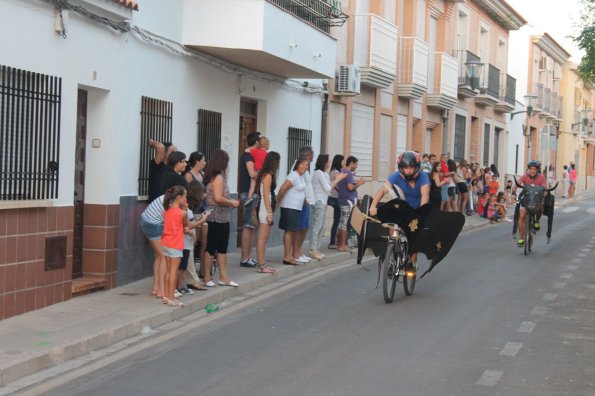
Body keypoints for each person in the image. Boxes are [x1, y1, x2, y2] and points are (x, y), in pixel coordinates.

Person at [369, 151, 430, 270]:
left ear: (416, 167)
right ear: (401, 167)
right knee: (393, 225)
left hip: (417, 209)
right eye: (405, 167)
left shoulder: (423, 177)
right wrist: (373, 206)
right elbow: (382, 191)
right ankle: (394, 253)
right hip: (401, 208)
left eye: (411, 167)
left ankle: (412, 263)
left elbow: (425, 195)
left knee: (414, 236)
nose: (409, 171)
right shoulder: (396, 176)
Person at [202, 149, 240, 287]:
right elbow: (218, 198)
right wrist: (232, 202)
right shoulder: (218, 177)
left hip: (222, 217)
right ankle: (207, 277)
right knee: (212, 247)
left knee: (222, 248)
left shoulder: (216, 176)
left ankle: (224, 276)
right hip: (216, 217)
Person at [310, 154, 348, 259]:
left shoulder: (325, 174)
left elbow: (329, 187)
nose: (329, 163)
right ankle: (313, 249)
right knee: (317, 226)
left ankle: (317, 249)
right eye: (328, 161)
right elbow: (328, 188)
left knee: (323, 226)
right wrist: (338, 178)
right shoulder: (318, 173)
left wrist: (337, 180)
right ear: (324, 162)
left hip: (323, 202)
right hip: (318, 202)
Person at [277, 157, 309, 265]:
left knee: (293, 231)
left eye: (306, 165)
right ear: (297, 164)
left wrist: (304, 200)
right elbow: (282, 189)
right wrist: (277, 203)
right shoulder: (293, 175)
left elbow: (300, 190)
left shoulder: (301, 176)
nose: (304, 167)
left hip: (297, 207)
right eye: (302, 164)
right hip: (289, 206)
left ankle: (290, 255)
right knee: (289, 231)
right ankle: (287, 257)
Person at [161, 186, 189, 306]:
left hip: (165, 242)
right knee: (174, 271)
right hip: (176, 244)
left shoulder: (166, 211)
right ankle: (171, 297)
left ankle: (167, 296)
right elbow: (186, 227)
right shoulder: (183, 213)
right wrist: (186, 210)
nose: (186, 199)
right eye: (185, 197)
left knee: (168, 270)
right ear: (179, 197)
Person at [180, 181, 210, 293]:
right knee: (187, 261)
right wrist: (203, 219)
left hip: (187, 238)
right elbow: (188, 225)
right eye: (203, 192)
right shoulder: (186, 208)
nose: (205, 195)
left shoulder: (189, 207)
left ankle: (190, 281)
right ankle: (191, 282)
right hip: (185, 239)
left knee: (187, 261)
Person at [255, 151, 280, 274]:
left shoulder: (264, 174)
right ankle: (261, 265)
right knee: (262, 239)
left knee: (263, 239)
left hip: (265, 207)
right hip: (265, 208)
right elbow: (266, 195)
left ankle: (263, 263)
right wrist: (270, 213)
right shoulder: (268, 175)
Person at [511, 160, 547, 247]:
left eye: (534, 169)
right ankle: (521, 238)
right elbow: (515, 185)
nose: (532, 171)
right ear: (528, 169)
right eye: (531, 169)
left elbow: (545, 189)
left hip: (537, 200)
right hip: (526, 200)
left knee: (541, 207)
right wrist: (513, 193)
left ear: (537, 170)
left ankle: (537, 221)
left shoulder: (541, 177)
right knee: (522, 214)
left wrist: (543, 196)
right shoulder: (524, 177)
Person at [238, 131, 261, 268]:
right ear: (256, 142)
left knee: (251, 226)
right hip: (248, 194)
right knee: (248, 226)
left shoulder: (250, 155)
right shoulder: (247, 156)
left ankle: (249, 256)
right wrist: (262, 171)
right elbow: (252, 173)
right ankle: (244, 258)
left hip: (251, 193)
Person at [336, 156, 366, 252]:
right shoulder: (348, 173)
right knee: (345, 224)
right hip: (347, 202)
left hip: (343, 201)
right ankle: (342, 246)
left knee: (341, 223)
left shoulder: (343, 171)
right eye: (356, 164)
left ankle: (340, 244)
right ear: (351, 163)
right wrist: (359, 183)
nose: (356, 166)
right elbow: (350, 187)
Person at [294, 146, 315, 263]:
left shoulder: (306, 169)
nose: (312, 158)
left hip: (307, 202)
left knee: (305, 228)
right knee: (300, 228)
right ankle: (296, 252)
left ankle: (299, 251)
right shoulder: (299, 167)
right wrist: (304, 199)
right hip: (302, 203)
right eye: (311, 155)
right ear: (307, 155)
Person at [327, 154, 344, 249]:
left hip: (334, 197)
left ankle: (334, 240)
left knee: (337, 220)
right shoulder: (336, 172)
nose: (343, 163)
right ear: (339, 161)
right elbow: (339, 185)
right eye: (342, 161)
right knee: (337, 220)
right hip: (336, 198)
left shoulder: (334, 171)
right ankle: (332, 241)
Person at [247, 135, 269, 201]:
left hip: (254, 170)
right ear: (266, 145)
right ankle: (261, 198)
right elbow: (266, 164)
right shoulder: (266, 154)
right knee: (263, 184)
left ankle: (249, 197)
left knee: (252, 185)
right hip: (261, 171)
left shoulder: (254, 151)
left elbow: (247, 151)